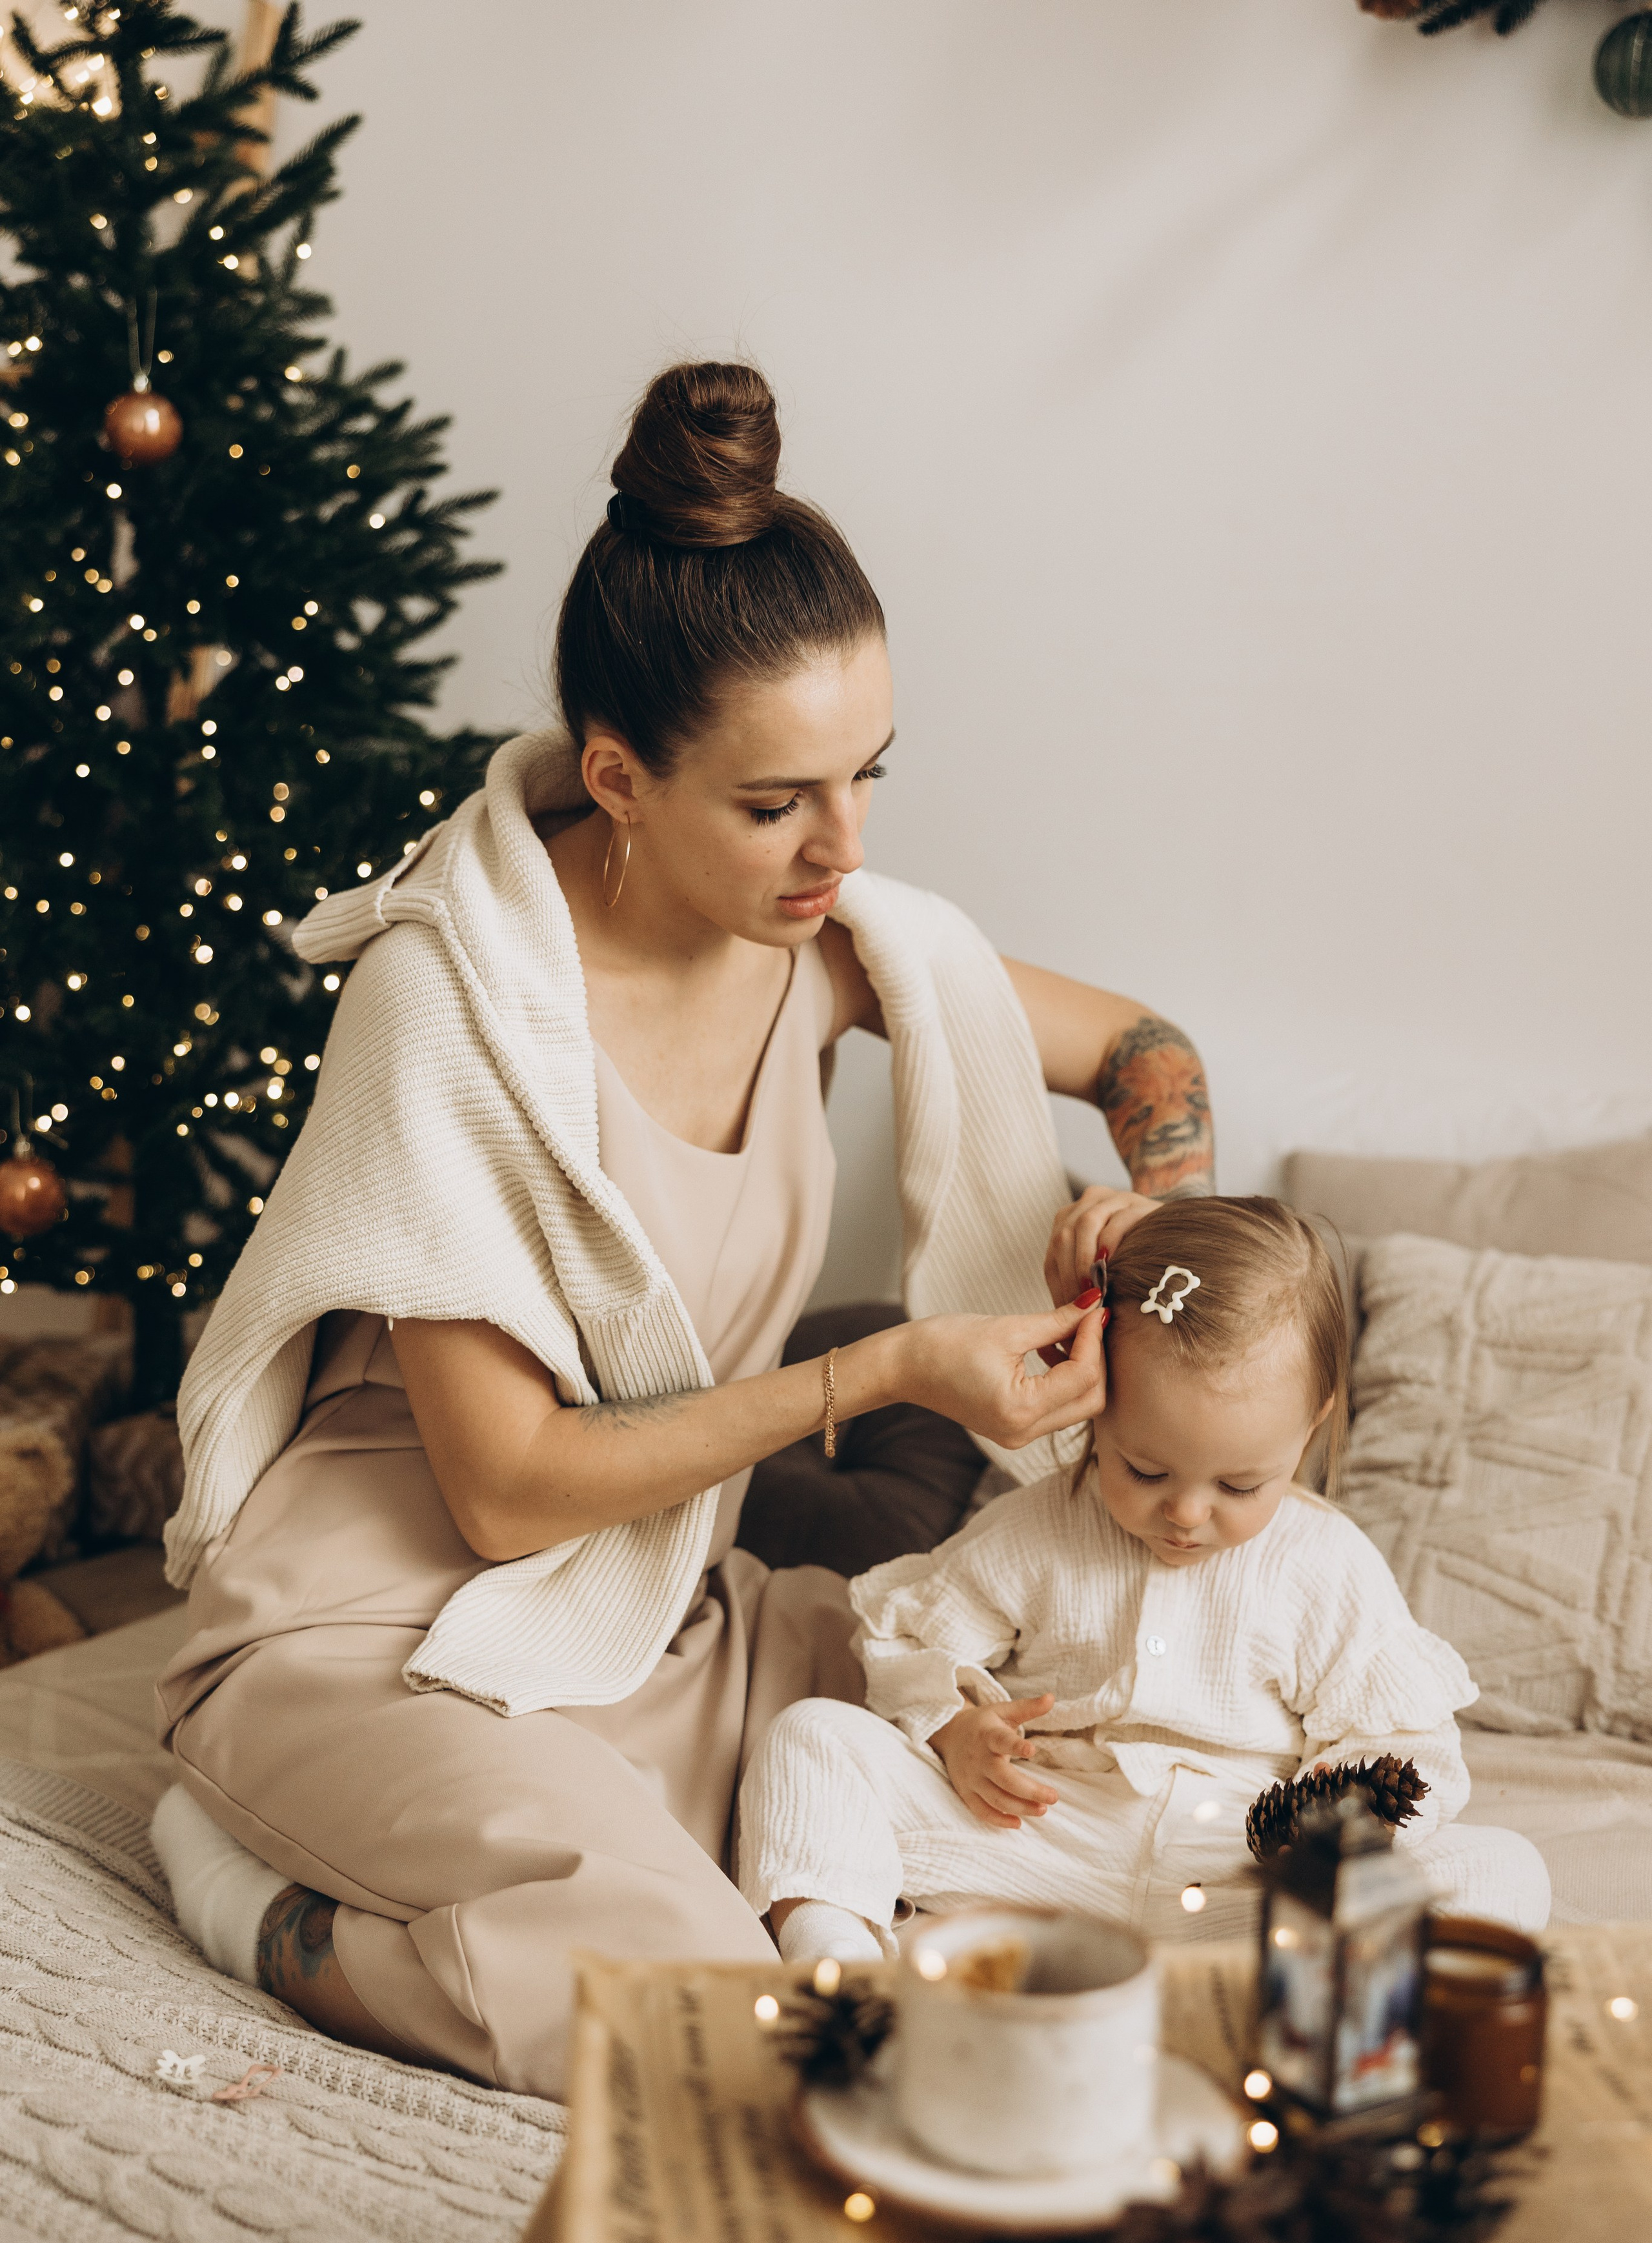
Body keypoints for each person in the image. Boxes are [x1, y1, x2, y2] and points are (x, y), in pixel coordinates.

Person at [148, 362, 1216, 2102]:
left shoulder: (829, 941)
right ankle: (261, 1908)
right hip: (379, 1639)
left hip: (656, 1621)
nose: (842, 850)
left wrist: (1151, 1203)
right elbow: (501, 1492)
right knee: (727, 2010)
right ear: (620, 776)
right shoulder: (453, 1004)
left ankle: (581, 1837)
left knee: (1039, 1809)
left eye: (868, 773)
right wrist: (879, 1371)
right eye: (776, 800)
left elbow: (1143, 1054)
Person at [738, 1198, 1551, 1962]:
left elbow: (1407, 1747)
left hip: (1247, 1881)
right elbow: (905, 1636)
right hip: (1041, 1842)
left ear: (1311, 1426)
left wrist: (1329, 1824)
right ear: (1095, 1403)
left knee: (1500, 1867)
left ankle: (1304, 2001)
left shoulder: (1325, 1566)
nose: (1188, 1514)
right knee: (813, 1737)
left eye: (1239, 1486)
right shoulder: (1039, 1529)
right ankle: (837, 1972)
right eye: (1145, 1468)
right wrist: (954, 1729)